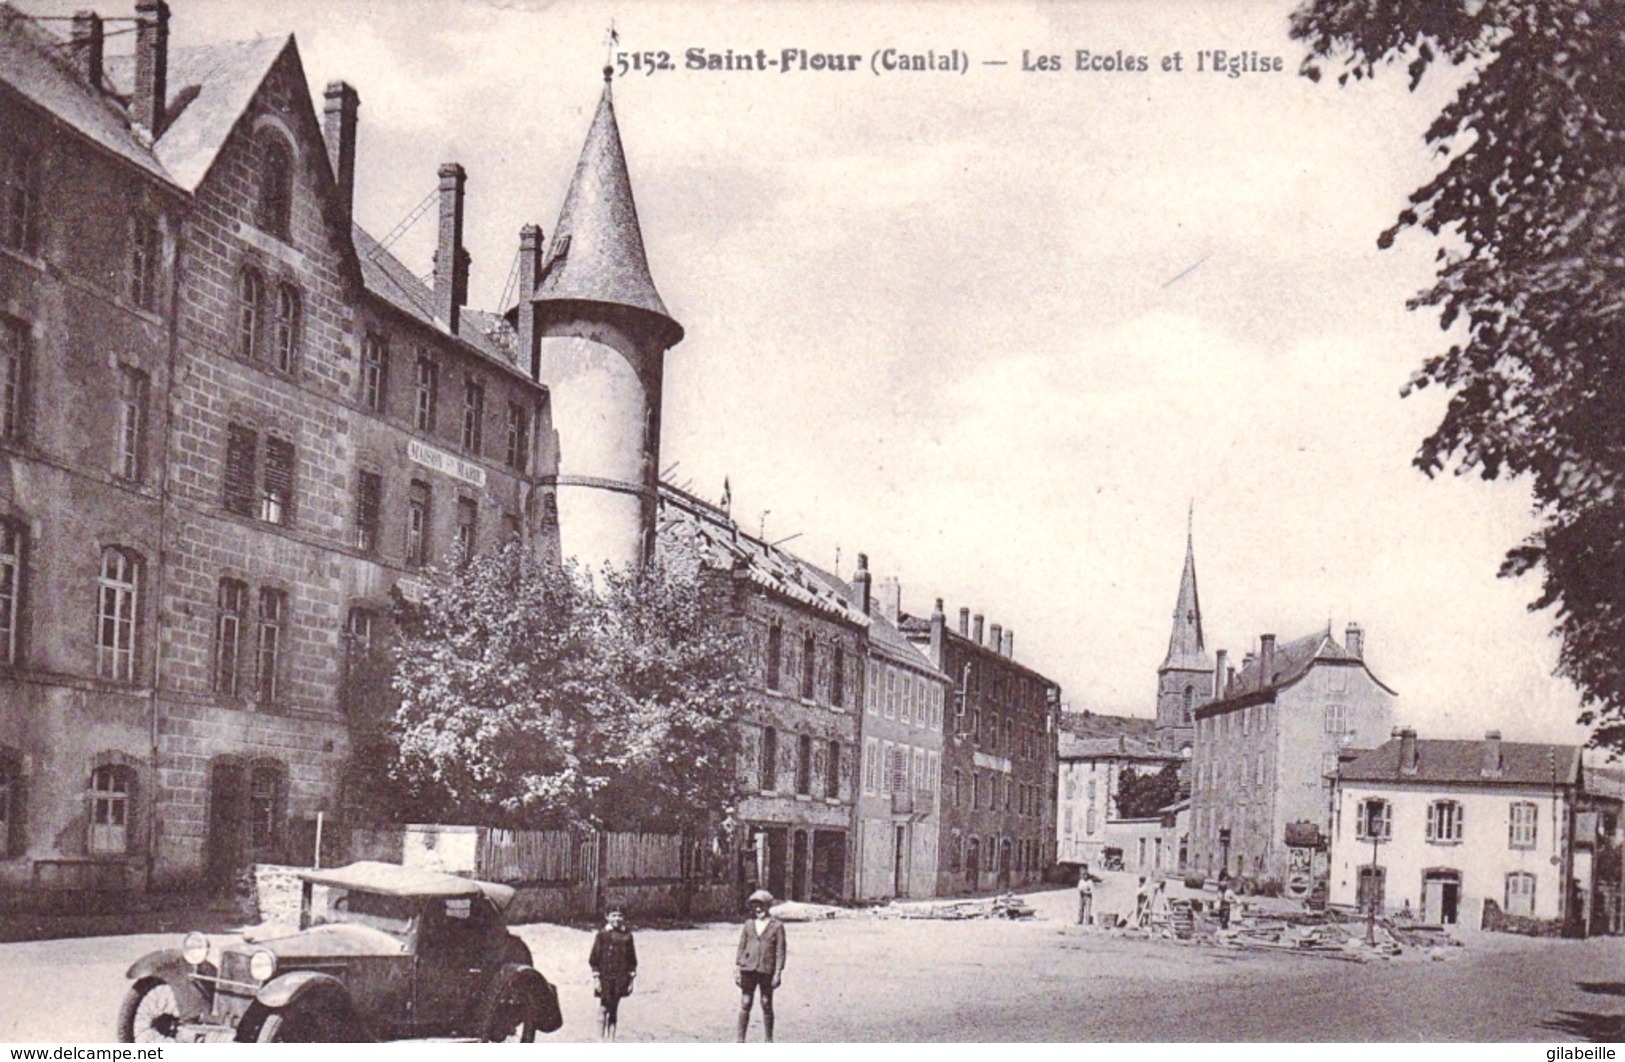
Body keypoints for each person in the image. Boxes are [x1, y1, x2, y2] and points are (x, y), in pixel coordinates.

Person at [735, 888, 787, 1042]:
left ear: (768, 906)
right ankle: (740, 1040)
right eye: (755, 906)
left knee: (766, 1002)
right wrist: (738, 969)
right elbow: (741, 947)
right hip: (748, 968)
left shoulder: (776, 926)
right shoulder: (749, 924)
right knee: (745, 1002)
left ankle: (768, 1040)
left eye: (761, 905)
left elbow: (780, 951)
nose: (758, 909)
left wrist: (778, 973)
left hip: (766, 969)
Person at [588, 909, 637, 1041]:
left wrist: (630, 982)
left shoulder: (627, 936)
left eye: (620, 915)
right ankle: (600, 1038)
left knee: (614, 1008)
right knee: (603, 1006)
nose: (617, 918)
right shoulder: (602, 935)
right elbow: (594, 959)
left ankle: (611, 1038)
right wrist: (596, 979)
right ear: (607, 917)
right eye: (613, 915)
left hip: (620, 978)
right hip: (605, 977)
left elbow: (632, 961)